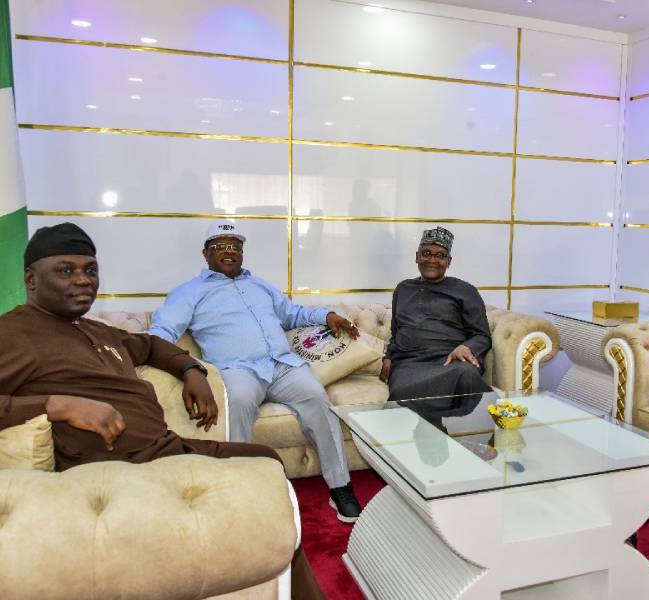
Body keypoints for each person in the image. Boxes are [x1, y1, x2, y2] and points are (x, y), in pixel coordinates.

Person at [0, 222, 325, 600]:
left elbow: (153, 346)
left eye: (90, 270)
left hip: (166, 449)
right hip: (116, 471)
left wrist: (191, 370)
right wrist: (57, 406)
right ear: (31, 279)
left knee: (267, 460)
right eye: (65, 270)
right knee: (264, 480)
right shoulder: (13, 333)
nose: (83, 280)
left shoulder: (98, 331)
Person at [149, 220, 362, 522]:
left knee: (317, 397)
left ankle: (340, 486)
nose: (229, 251)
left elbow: (291, 314)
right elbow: (162, 331)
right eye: (220, 246)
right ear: (205, 253)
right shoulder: (189, 292)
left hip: (282, 365)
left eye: (235, 246)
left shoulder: (259, 285)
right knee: (236, 403)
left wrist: (325, 315)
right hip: (237, 370)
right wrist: (178, 365)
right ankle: (239, 490)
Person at [379, 226, 493, 401]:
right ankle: (434, 427)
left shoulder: (465, 291)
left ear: (449, 261)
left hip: (450, 360)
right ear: (417, 257)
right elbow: (397, 332)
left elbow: (482, 335)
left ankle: (482, 426)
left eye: (440, 255)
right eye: (426, 253)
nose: (432, 260)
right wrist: (388, 357)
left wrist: (466, 347)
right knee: (401, 392)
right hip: (410, 362)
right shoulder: (403, 289)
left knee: (466, 374)